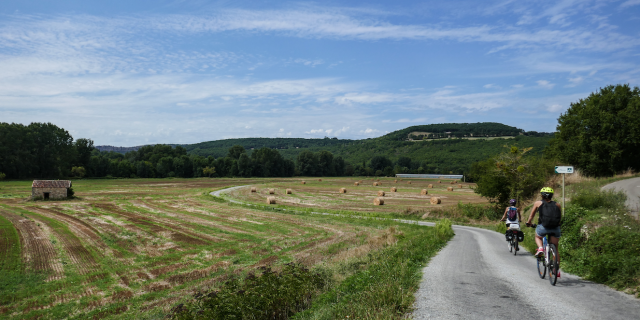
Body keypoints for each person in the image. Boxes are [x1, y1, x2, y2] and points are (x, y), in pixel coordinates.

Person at [526, 187, 562, 278]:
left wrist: (529, 222)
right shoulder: (557, 204)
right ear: (551, 195)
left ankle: (541, 248)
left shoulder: (538, 203)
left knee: (538, 237)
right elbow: (559, 217)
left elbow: (532, 215)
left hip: (543, 227)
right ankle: (556, 269)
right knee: (556, 248)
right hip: (555, 228)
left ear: (542, 195)